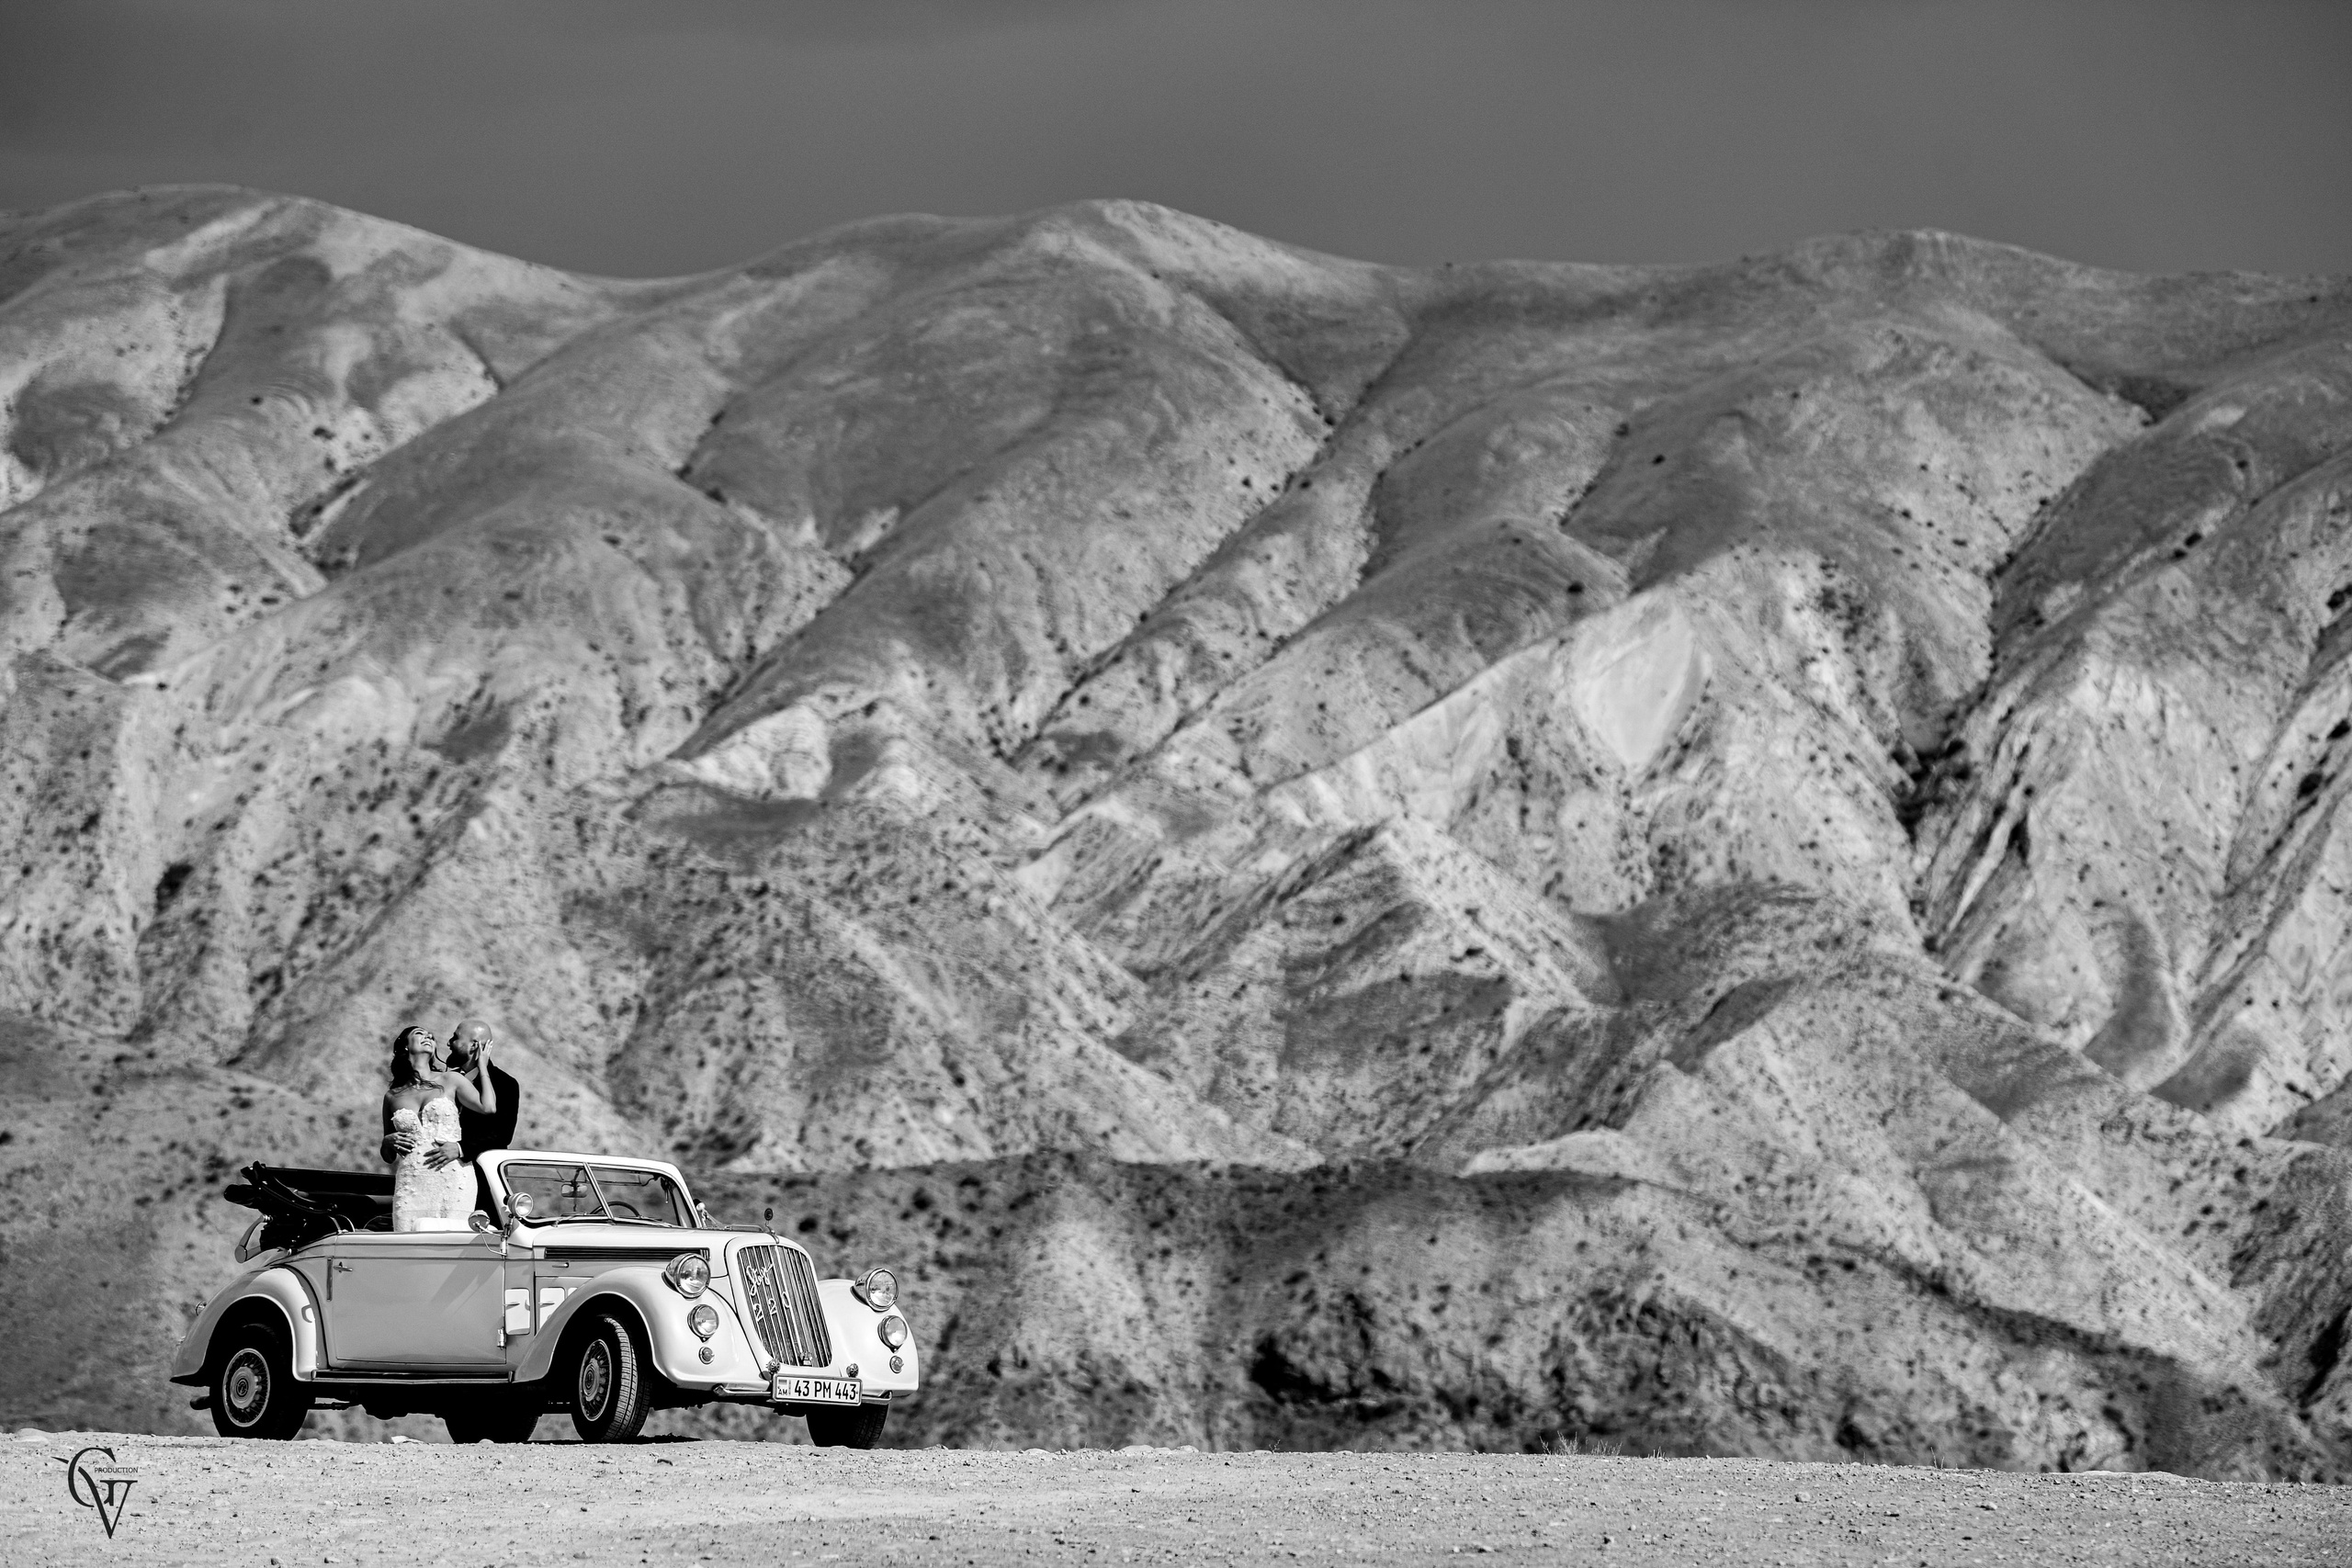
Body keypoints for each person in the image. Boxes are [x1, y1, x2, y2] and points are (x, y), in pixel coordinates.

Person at [379, 1024, 496, 1232]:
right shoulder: (392, 1096)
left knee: (451, 1241)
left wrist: (483, 1066)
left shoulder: (451, 1079)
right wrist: (387, 1141)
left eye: (431, 1036)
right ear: (405, 1046)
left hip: (452, 1177)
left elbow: (488, 1107)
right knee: (406, 1241)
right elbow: (388, 1157)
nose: (428, 1037)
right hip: (411, 1182)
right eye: (420, 1034)